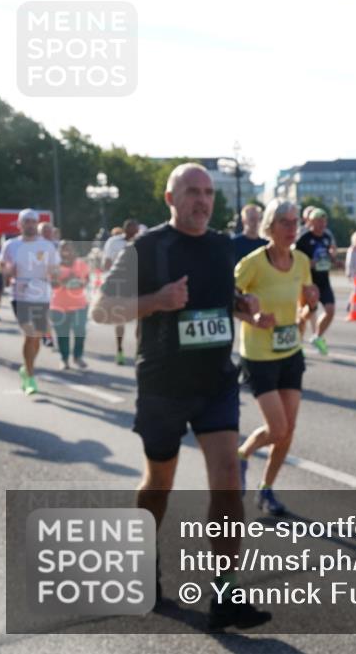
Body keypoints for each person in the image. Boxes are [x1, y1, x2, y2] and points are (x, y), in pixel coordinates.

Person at [91, 162, 270, 629]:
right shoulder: (146, 248)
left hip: (215, 381)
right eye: (192, 191)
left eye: (208, 192)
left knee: (228, 477)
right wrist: (155, 301)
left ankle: (226, 593)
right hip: (164, 385)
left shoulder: (221, 246)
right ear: (171, 199)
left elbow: (219, 296)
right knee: (158, 484)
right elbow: (101, 310)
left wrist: (243, 308)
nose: (203, 200)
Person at [234, 200, 318, 516]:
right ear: (269, 227)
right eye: (284, 222)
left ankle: (266, 489)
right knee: (278, 428)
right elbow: (227, 299)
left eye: (295, 222)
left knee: (288, 430)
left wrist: (311, 304)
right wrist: (252, 319)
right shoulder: (252, 263)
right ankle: (242, 454)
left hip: (290, 351)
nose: (291, 228)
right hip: (258, 355)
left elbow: (305, 306)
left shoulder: (301, 261)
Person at [0, 210, 60, 395]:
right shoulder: (11, 245)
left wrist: (54, 275)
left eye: (33, 221)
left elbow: (55, 269)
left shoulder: (47, 246)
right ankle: (31, 376)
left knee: (36, 338)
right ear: (19, 224)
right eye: (27, 221)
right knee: (30, 334)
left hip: (42, 295)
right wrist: (8, 271)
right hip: (20, 296)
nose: (31, 224)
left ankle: (27, 368)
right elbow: (3, 269)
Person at [294, 207, 337, 354]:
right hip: (308, 282)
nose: (322, 225)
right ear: (311, 222)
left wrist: (333, 259)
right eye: (318, 221)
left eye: (324, 222)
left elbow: (329, 254)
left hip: (324, 280)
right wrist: (309, 263)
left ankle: (317, 336)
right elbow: (294, 259)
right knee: (304, 315)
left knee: (330, 311)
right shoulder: (304, 239)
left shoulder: (327, 237)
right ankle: (297, 344)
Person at [103, 219, 141, 365]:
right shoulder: (114, 242)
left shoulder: (142, 242)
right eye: (132, 231)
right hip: (120, 284)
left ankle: (139, 349)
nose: (135, 234)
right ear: (126, 231)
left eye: (136, 231)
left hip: (137, 283)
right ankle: (119, 349)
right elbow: (107, 263)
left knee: (140, 318)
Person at [50, 241, 91, 370]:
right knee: (62, 334)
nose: (66, 252)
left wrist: (80, 282)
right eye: (63, 249)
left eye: (69, 249)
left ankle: (78, 357)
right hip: (58, 306)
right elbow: (53, 285)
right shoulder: (54, 266)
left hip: (79, 305)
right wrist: (67, 280)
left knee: (80, 332)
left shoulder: (81, 264)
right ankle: (64, 359)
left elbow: (86, 280)